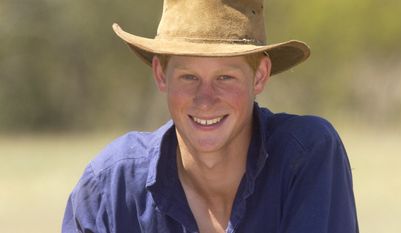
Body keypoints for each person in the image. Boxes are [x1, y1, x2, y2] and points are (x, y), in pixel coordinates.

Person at [62, 0, 359, 232]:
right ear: (161, 74)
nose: (205, 101)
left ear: (260, 76)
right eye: (189, 77)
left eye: (225, 78)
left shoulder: (305, 156)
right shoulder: (110, 187)